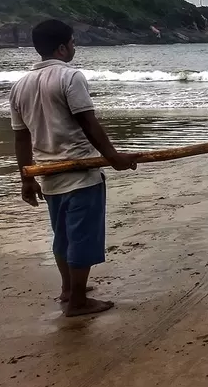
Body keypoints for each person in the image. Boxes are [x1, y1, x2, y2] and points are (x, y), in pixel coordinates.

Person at [9, 20, 137, 317]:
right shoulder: (70, 77)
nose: (75, 48)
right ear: (62, 47)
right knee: (82, 237)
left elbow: (21, 137)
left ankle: (68, 289)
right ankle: (78, 302)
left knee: (63, 235)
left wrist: (26, 179)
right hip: (80, 173)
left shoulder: (20, 85)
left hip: (48, 175)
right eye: (73, 42)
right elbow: (88, 123)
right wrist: (115, 157)